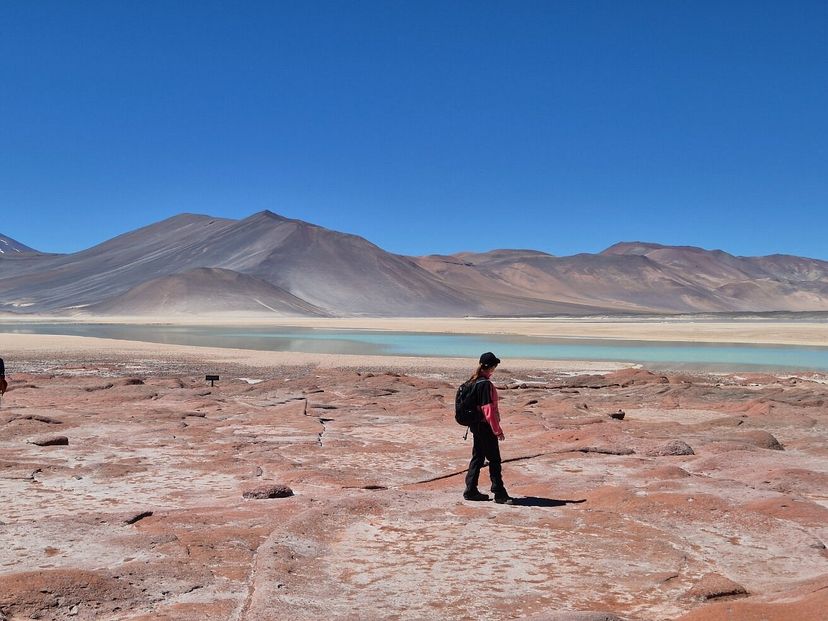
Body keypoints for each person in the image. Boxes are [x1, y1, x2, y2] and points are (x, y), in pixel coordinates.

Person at [463, 352, 514, 504]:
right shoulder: (484, 384)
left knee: (478, 457)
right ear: (490, 367)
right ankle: (499, 493)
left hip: (475, 425)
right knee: (494, 459)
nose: (495, 369)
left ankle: (471, 490)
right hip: (485, 427)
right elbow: (488, 410)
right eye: (494, 366)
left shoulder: (472, 381)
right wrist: (497, 430)